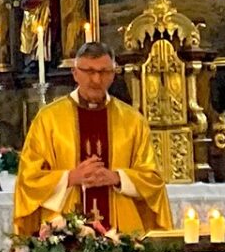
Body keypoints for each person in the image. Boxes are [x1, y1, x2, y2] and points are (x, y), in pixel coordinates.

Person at [13, 41, 172, 235]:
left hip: (123, 231)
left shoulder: (132, 121)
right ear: (75, 73)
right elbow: (28, 179)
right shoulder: (48, 119)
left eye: (104, 71)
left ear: (113, 74)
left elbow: (153, 180)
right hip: (64, 232)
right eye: (89, 71)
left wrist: (117, 178)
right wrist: (71, 177)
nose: (96, 79)